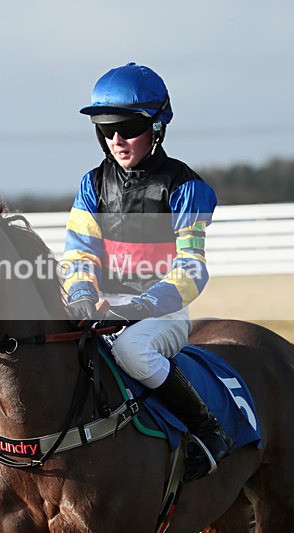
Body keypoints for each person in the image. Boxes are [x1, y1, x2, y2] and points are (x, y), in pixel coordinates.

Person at [62, 62, 232, 481]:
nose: (116, 139)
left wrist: (139, 306)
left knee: (131, 352)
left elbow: (191, 270)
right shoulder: (91, 184)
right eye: (106, 129)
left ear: (157, 128)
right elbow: (78, 252)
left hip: (161, 315)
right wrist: (83, 295)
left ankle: (209, 430)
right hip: (104, 308)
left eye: (128, 128)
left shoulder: (185, 188)